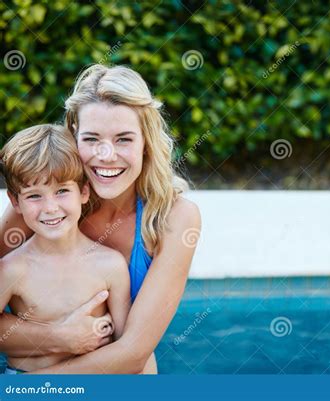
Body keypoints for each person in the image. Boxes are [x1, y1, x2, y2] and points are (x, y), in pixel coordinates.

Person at [0, 65, 201, 373]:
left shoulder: (174, 218)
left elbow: (133, 352)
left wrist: (29, 389)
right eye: (92, 138)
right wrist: (62, 338)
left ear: (146, 142)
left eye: (123, 139)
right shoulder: (42, 206)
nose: (106, 155)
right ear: (73, 137)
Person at [0, 124, 142, 373]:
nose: (50, 208)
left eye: (62, 191)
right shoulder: (12, 268)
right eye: (34, 196)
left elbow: (127, 346)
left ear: (84, 192)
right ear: (15, 202)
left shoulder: (110, 265)